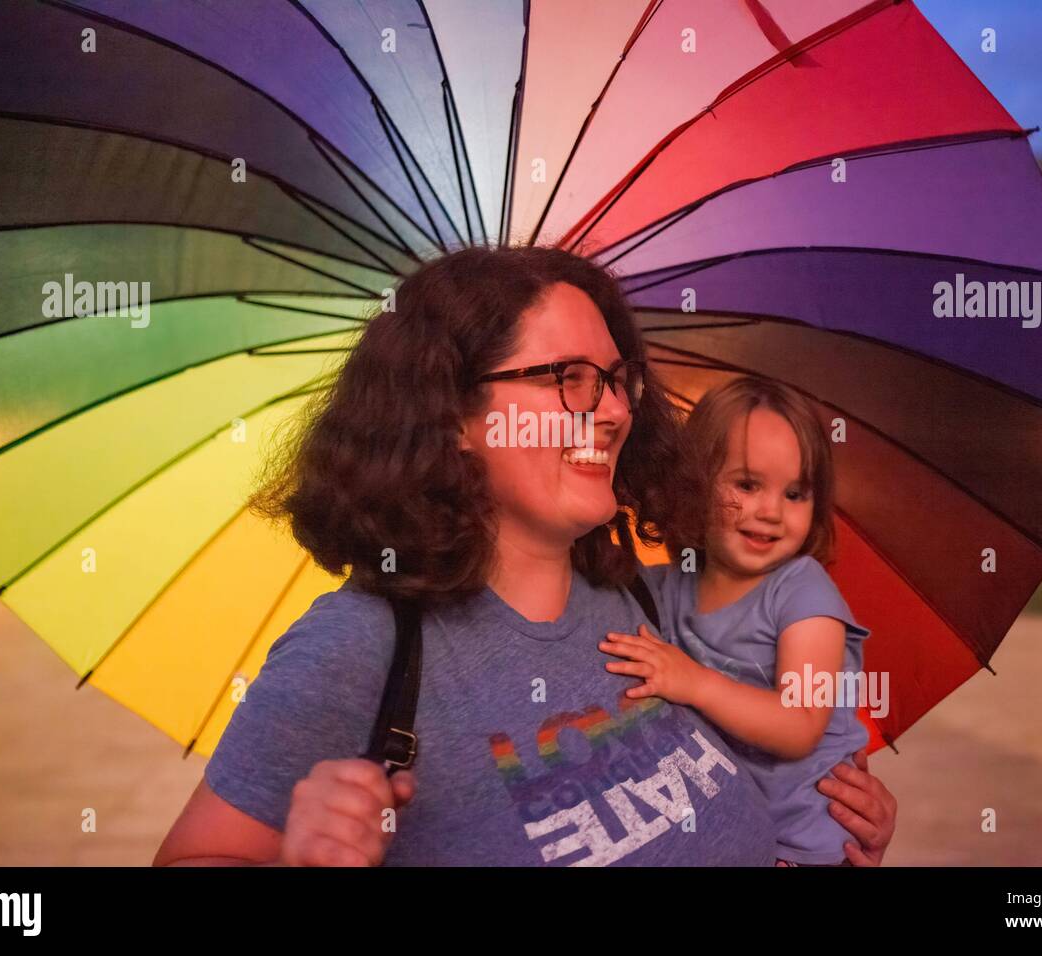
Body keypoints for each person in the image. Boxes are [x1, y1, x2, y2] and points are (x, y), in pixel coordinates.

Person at [153, 245, 896, 867]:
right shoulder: (362, 649)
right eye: (567, 378)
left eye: (616, 380)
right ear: (453, 417)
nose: (612, 411)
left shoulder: (647, 599)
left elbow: (775, 733)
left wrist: (830, 813)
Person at [602, 376, 871, 865]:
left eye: (795, 494)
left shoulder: (801, 588)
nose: (771, 512)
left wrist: (695, 683)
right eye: (747, 485)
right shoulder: (668, 585)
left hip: (805, 847)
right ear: (694, 485)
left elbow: (800, 724)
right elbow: (598, 566)